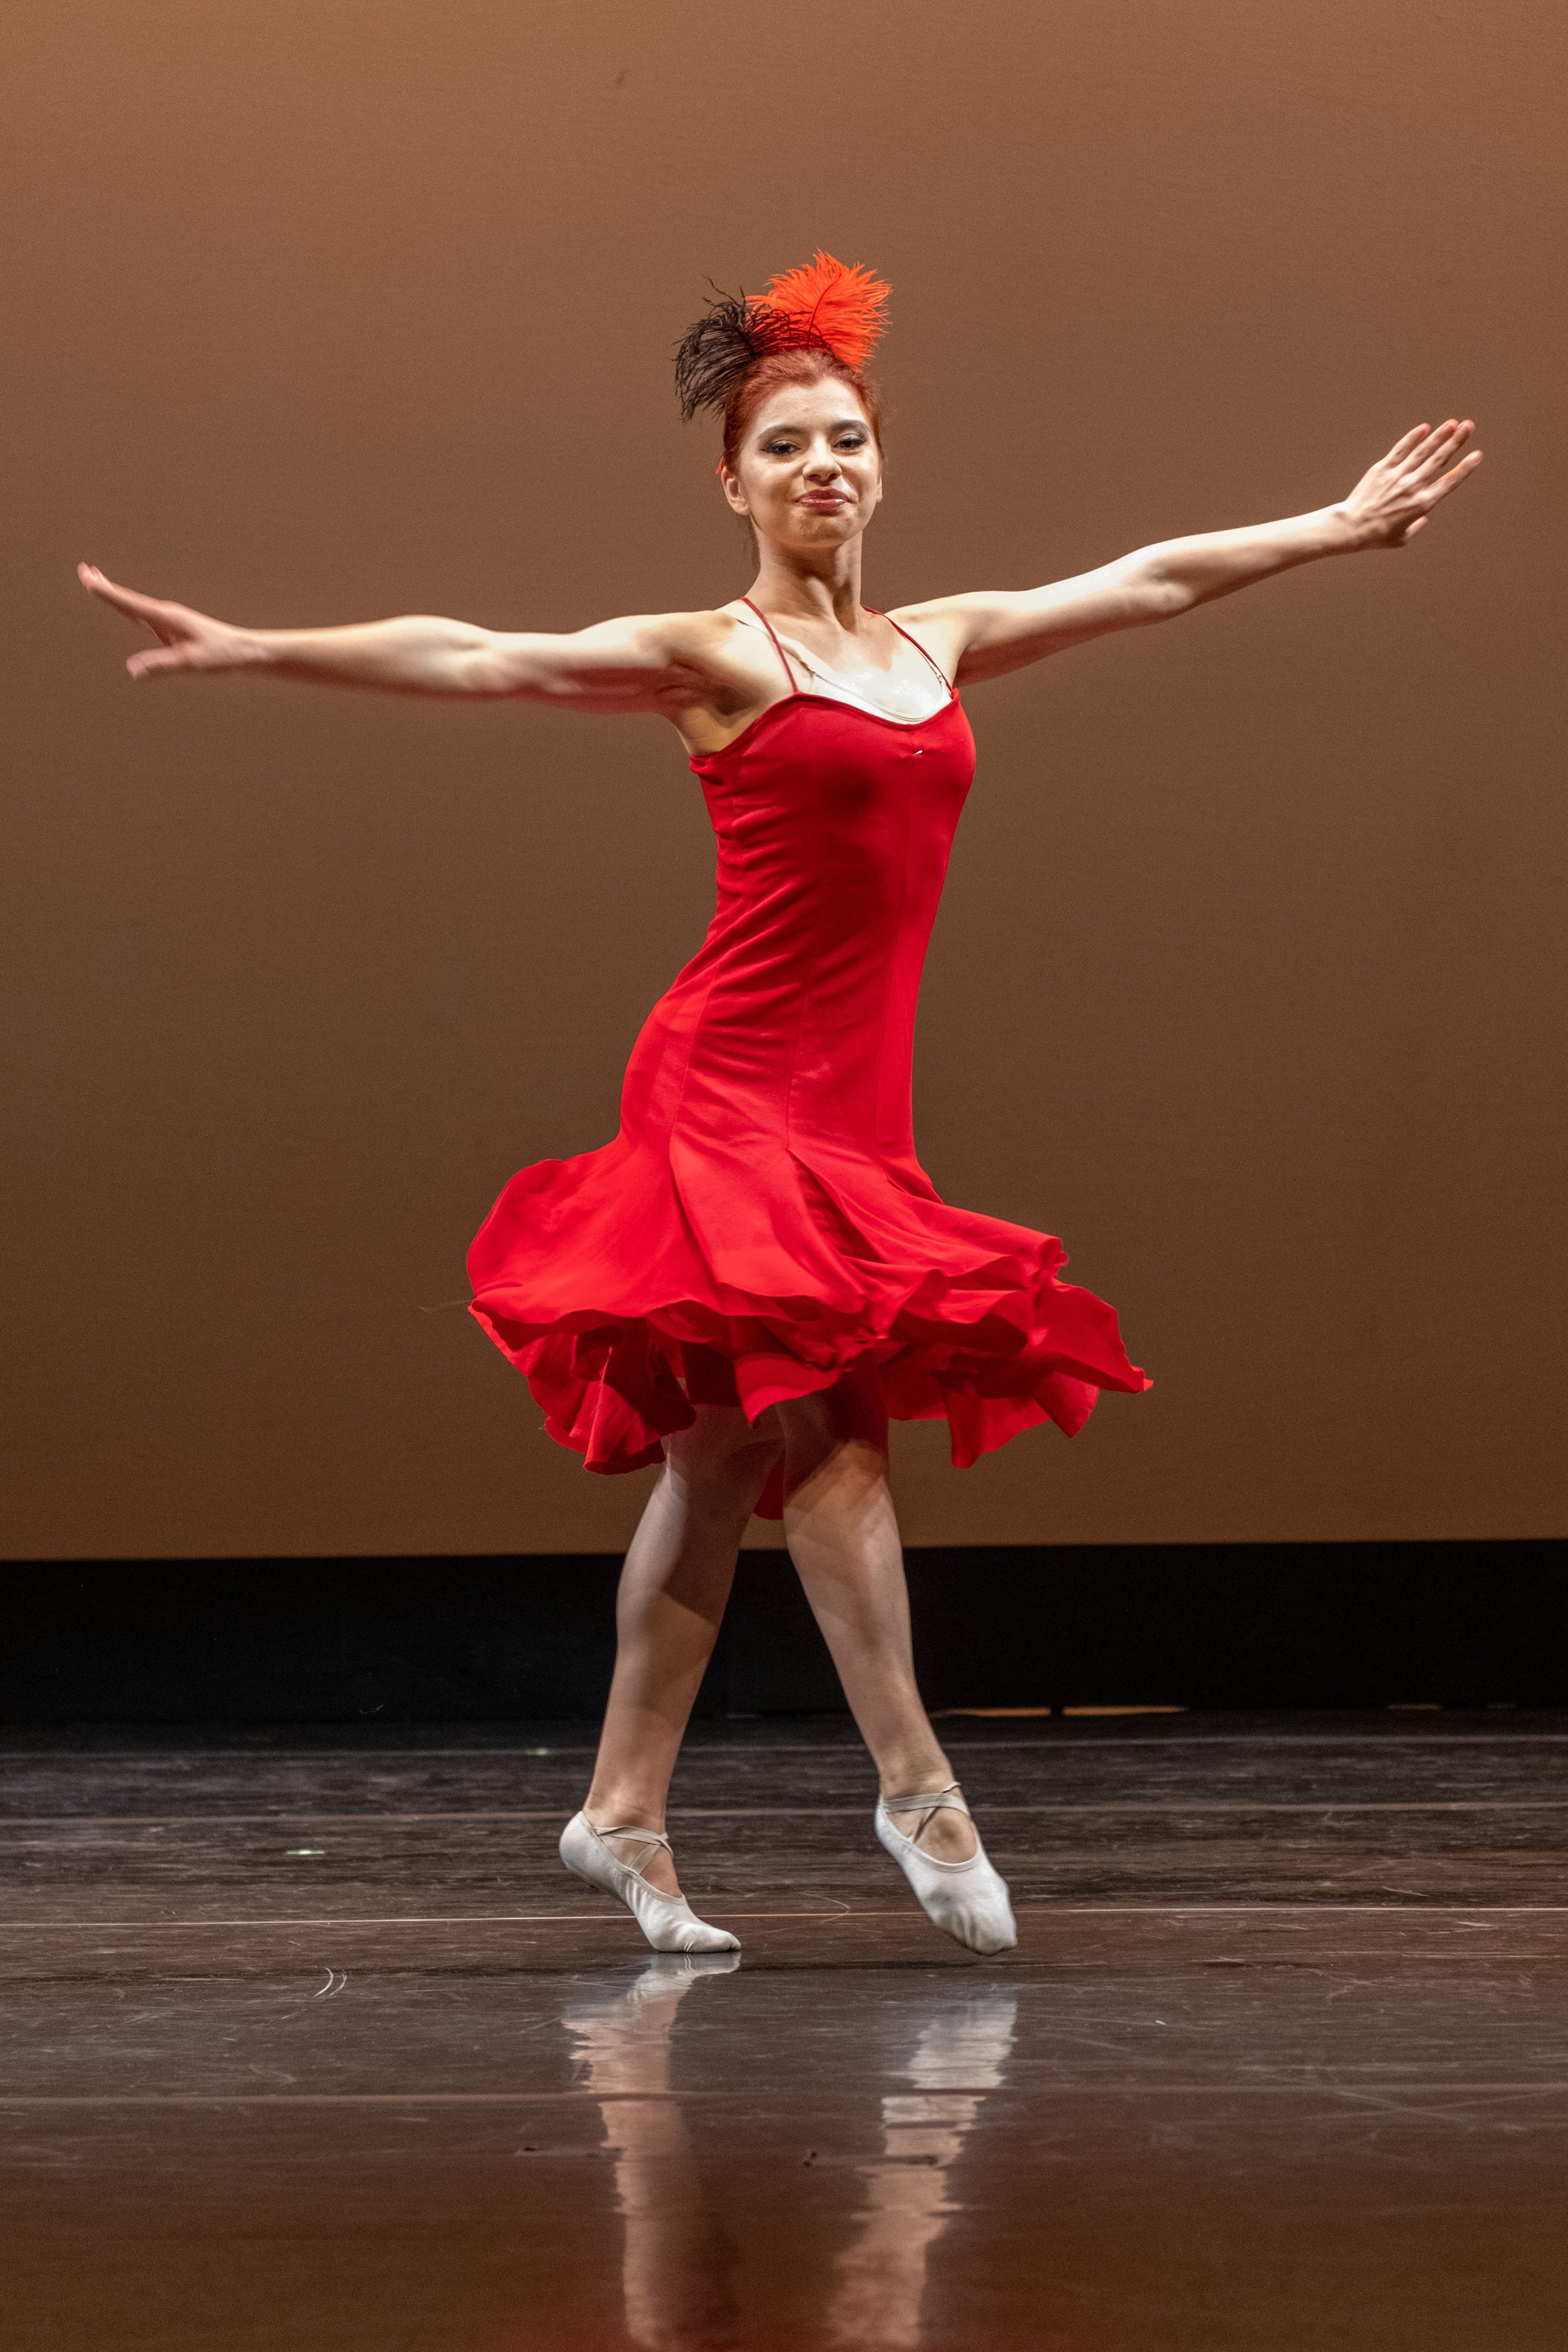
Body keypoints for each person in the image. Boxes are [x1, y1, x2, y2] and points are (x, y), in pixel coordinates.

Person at [81, 252, 1481, 1961]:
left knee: (724, 1461)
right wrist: (256, 648)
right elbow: (479, 659)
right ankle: (918, 1786)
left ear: (877, 466)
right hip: (722, 1091)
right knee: (826, 1435)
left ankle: (616, 1812)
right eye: (784, 447)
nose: (822, 465)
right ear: (732, 483)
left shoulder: (934, 642)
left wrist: (1329, 531)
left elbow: (1148, 580)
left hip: (850, 1112)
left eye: (844, 440)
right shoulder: (710, 656)